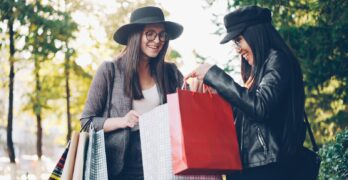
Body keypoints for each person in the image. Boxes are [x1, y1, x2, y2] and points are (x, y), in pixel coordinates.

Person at [187, 6, 306, 180]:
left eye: (238, 40)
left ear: (255, 34)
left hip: (266, 169)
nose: (238, 49)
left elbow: (261, 108)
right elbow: (247, 118)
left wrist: (215, 75)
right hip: (249, 167)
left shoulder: (277, 60)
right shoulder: (257, 70)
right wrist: (220, 92)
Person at [80, 6, 184, 179]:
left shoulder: (170, 72)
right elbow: (87, 121)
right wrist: (122, 121)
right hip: (121, 165)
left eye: (162, 34)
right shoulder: (109, 70)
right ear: (135, 35)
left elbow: (186, 109)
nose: (157, 40)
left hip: (162, 161)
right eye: (150, 33)